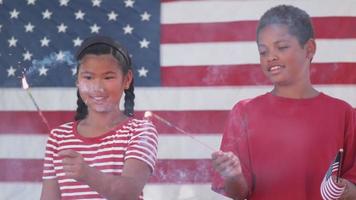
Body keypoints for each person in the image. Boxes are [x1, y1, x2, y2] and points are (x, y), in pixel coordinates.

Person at [211, 5, 356, 200]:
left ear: (309, 49)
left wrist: (347, 190)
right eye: (263, 51)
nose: (270, 56)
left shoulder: (344, 113)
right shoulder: (244, 112)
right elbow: (238, 192)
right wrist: (233, 175)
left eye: (282, 47)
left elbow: (353, 186)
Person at [40, 35, 158, 200]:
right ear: (78, 81)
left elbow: (129, 192)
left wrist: (87, 174)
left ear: (127, 79)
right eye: (88, 77)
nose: (97, 87)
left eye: (108, 77)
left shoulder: (140, 131)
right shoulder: (58, 137)